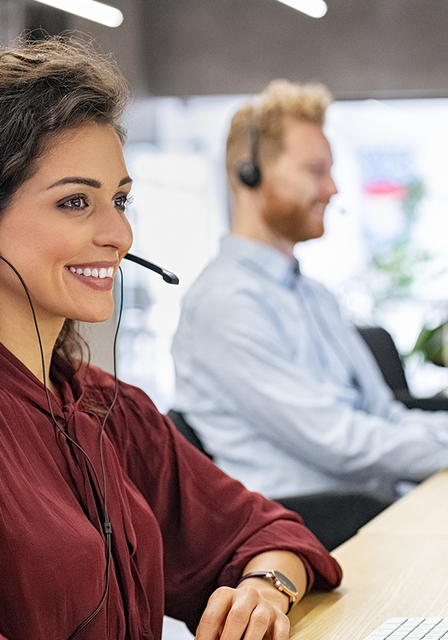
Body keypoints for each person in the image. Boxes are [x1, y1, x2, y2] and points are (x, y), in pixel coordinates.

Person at [0, 40, 341, 640]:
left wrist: (265, 591)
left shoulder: (108, 406)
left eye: (118, 199)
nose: (118, 233)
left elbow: (271, 534)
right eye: (74, 202)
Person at [171, 79, 448, 542]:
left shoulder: (315, 296)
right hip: (308, 533)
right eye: (315, 170)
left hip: (374, 516)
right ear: (250, 173)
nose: (333, 188)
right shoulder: (225, 304)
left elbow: (386, 416)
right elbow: (339, 442)